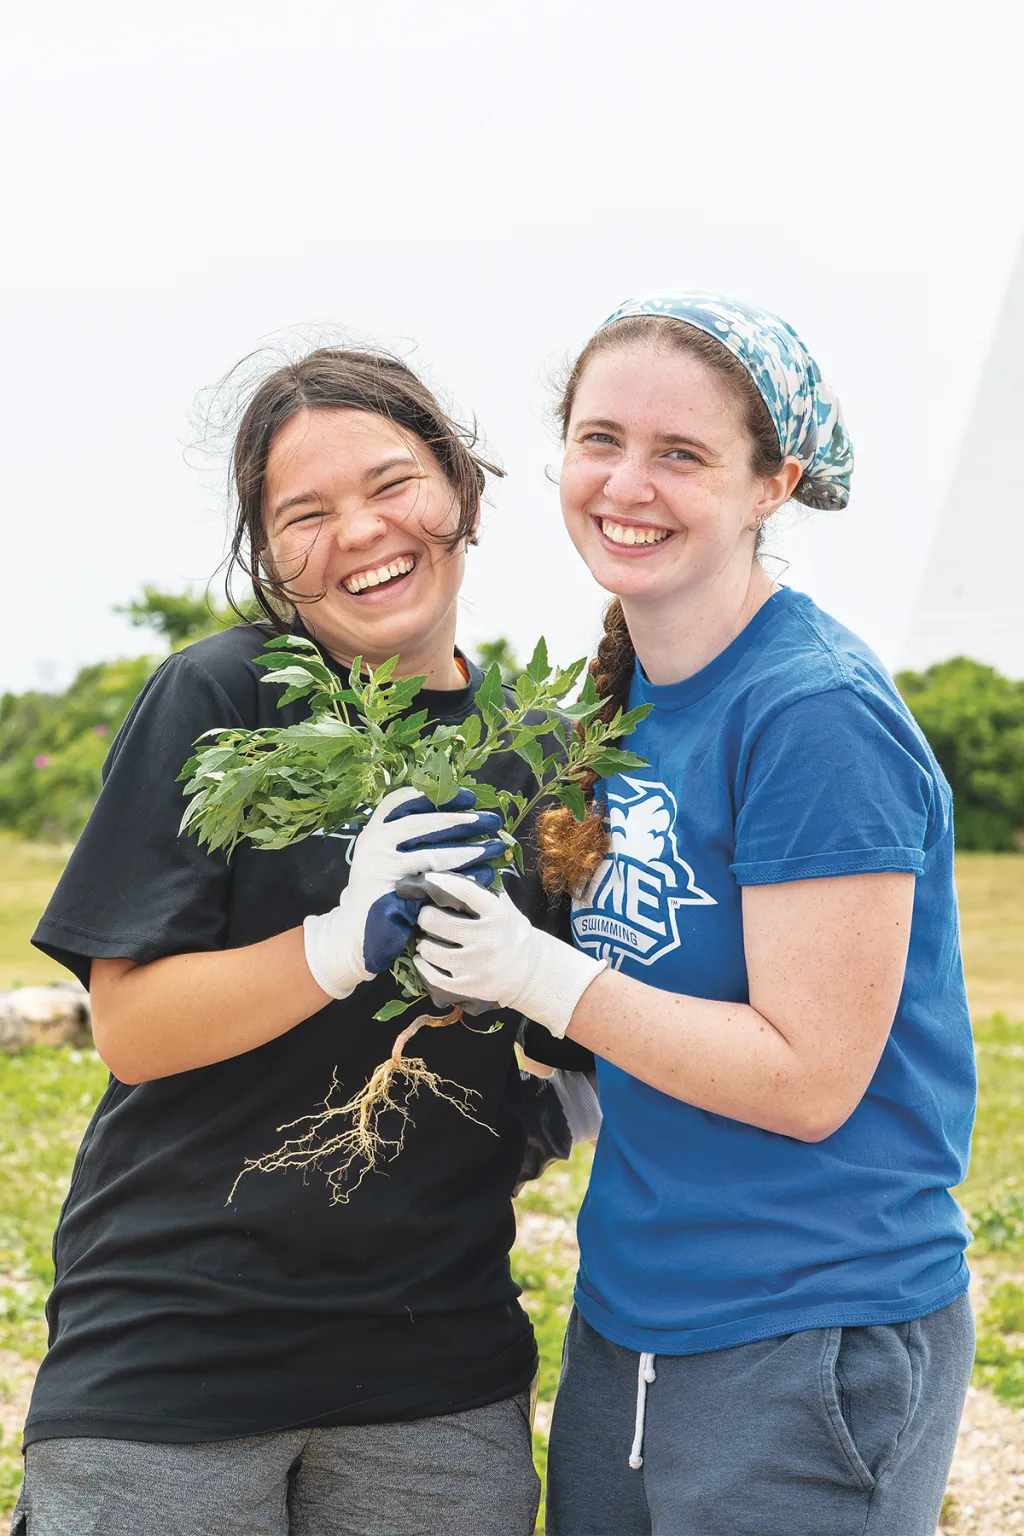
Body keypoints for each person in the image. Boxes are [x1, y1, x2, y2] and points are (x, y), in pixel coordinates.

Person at [410, 293, 977, 1535]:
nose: (628, 483)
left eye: (682, 454)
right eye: (601, 437)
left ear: (772, 483)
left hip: (807, 1325)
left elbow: (807, 1080)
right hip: (633, 1315)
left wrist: (538, 980)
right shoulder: (626, 714)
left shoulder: (810, 715)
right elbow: (653, 1009)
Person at [11, 346, 594, 1536]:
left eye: (393, 484)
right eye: (304, 514)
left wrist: (567, 1098)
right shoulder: (223, 697)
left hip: (435, 1369)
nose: (361, 533)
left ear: (461, 490)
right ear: (268, 554)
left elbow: (563, 1022)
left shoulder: (547, 750)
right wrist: (336, 944)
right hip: (175, 1357)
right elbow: (129, 1030)